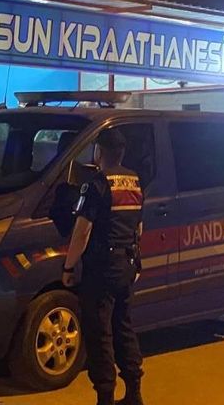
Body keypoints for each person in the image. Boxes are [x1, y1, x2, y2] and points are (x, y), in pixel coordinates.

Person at [62, 128, 145, 405]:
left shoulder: (96, 184)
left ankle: (105, 397)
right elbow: (138, 227)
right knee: (124, 327)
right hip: (127, 264)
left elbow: (82, 232)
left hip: (102, 268)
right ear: (122, 153)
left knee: (100, 333)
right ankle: (134, 392)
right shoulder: (134, 182)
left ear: (98, 152)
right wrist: (136, 261)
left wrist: (69, 267)